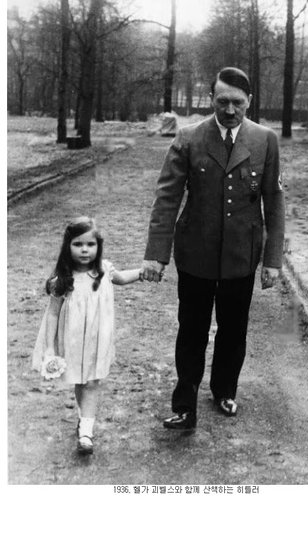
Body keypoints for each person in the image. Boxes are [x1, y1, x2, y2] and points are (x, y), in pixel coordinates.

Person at [142, 67, 285, 432]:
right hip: (196, 253)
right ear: (211, 99)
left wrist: (272, 261)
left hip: (240, 255)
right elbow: (167, 198)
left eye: (238, 102)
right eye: (222, 102)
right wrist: (156, 255)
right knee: (192, 329)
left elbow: (274, 201)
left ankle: (224, 390)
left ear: (249, 101)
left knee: (234, 330)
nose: (230, 110)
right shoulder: (189, 137)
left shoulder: (265, 140)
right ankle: (185, 405)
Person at [32, 216, 143, 454]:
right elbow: (52, 314)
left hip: (98, 338)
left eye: (90, 244)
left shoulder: (104, 270)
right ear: (68, 246)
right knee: (81, 381)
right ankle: (84, 419)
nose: (85, 250)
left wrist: (145, 272)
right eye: (78, 244)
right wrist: (50, 348)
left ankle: (86, 433)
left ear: (98, 246)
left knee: (92, 382)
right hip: (73, 340)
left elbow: (123, 278)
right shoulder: (63, 278)